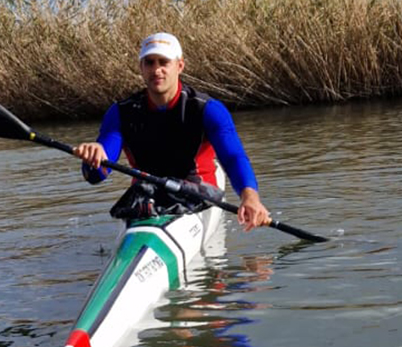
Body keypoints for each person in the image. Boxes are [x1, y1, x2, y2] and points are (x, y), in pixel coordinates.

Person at [72, 32, 270, 231]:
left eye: (163, 62)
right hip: (146, 200)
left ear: (179, 66)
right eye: (149, 62)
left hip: (198, 193)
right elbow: (96, 176)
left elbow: (233, 158)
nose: (156, 70)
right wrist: (94, 156)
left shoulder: (208, 110)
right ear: (141, 67)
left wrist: (249, 197)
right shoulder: (121, 113)